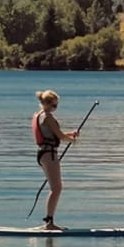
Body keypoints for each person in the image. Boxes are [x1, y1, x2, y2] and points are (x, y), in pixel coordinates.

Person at [32, 89, 81, 231]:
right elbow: (60, 136)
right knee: (56, 188)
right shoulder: (48, 117)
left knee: (55, 188)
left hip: (43, 154)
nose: (55, 108)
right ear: (46, 104)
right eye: (54, 105)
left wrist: (70, 134)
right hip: (49, 155)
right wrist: (72, 140)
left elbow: (54, 134)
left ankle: (49, 221)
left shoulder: (39, 115)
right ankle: (49, 223)